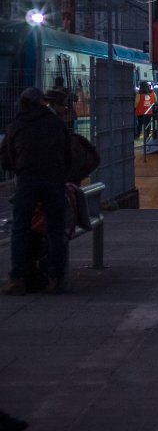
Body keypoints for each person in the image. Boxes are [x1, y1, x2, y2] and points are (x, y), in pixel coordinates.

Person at [1, 88, 73, 295]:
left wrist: (19, 169)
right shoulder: (56, 124)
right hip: (54, 182)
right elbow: (68, 155)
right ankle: (57, 279)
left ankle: (18, 278)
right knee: (56, 230)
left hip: (27, 181)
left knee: (20, 229)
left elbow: (5, 158)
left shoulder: (16, 125)